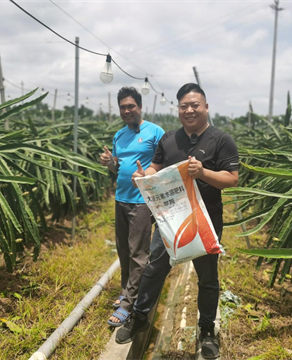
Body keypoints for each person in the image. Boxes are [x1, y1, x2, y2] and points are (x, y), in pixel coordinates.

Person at [115, 83, 239, 359]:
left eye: (195, 105)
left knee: (207, 278)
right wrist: (142, 176)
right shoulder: (169, 140)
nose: (190, 110)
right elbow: (155, 168)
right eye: (184, 106)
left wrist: (204, 172)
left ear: (206, 107)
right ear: (178, 110)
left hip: (204, 221)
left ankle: (207, 331)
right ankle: (140, 317)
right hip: (170, 220)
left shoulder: (221, 140)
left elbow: (231, 178)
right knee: (153, 269)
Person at [99, 87, 165, 327]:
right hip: (121, 198)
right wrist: (109, 163)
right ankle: (127, 291)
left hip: (142, 202)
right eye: (123, 107)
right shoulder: (119, 135)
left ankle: (129, 304)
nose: (127, 111)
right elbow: (117, 167)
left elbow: (164, 163)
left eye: (130, 106)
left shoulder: (155, 132)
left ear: (139, 107)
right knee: (124, 251)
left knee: (139, 253)